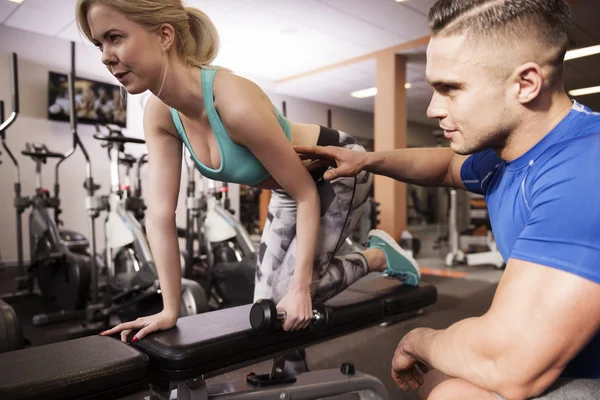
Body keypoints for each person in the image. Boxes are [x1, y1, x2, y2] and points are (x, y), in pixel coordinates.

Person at [296, 0, 600, 398]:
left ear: (525, 83)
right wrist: (367, 160)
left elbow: (509, 363)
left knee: (450, 392)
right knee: (441, 380)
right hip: (563, 359)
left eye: (450, 88)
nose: (432, 108)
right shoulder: (503, 158)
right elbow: (442, 167)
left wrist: (417, 339)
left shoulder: (586, 165)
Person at [74, 0, 421, 342]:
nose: (105, 55)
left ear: (165, 35)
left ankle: (378, 256)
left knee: (292, 298)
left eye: (115, 37)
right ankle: (286, 371)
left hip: (336, 169)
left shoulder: (233, 102)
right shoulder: (160, 114)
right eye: (98, 43)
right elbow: (160, 215)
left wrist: (301, 288)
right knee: (266, 306)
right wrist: (169, 309)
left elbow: (306, 193)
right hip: (291, 189)